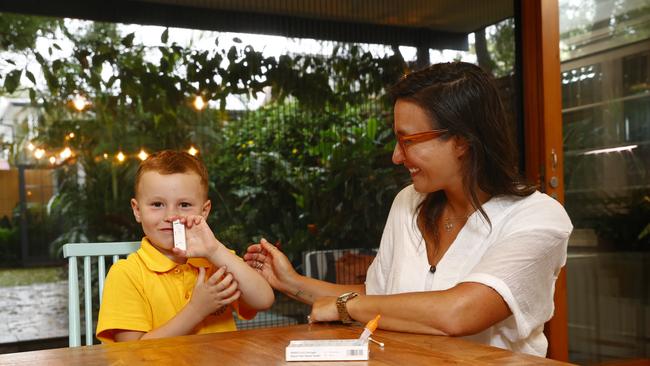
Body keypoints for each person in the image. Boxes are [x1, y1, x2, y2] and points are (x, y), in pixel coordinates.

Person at [244, 62, 572, 357]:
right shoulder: (408, 202)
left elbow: (459, 312)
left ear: (461, 141)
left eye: (408, 141)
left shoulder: (538, 218)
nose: (396, 157)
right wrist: (290, 282)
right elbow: (380, 297)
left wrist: (348, 306)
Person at [97, 150, 274, 342]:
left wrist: (215, 250)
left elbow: (264, 299)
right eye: (157, 204)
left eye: (184, 205)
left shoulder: (215, 260)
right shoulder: (126, 274)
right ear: (137, 210)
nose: (171, 216)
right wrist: (197, 310)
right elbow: (132, 352)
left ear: (204, 211)